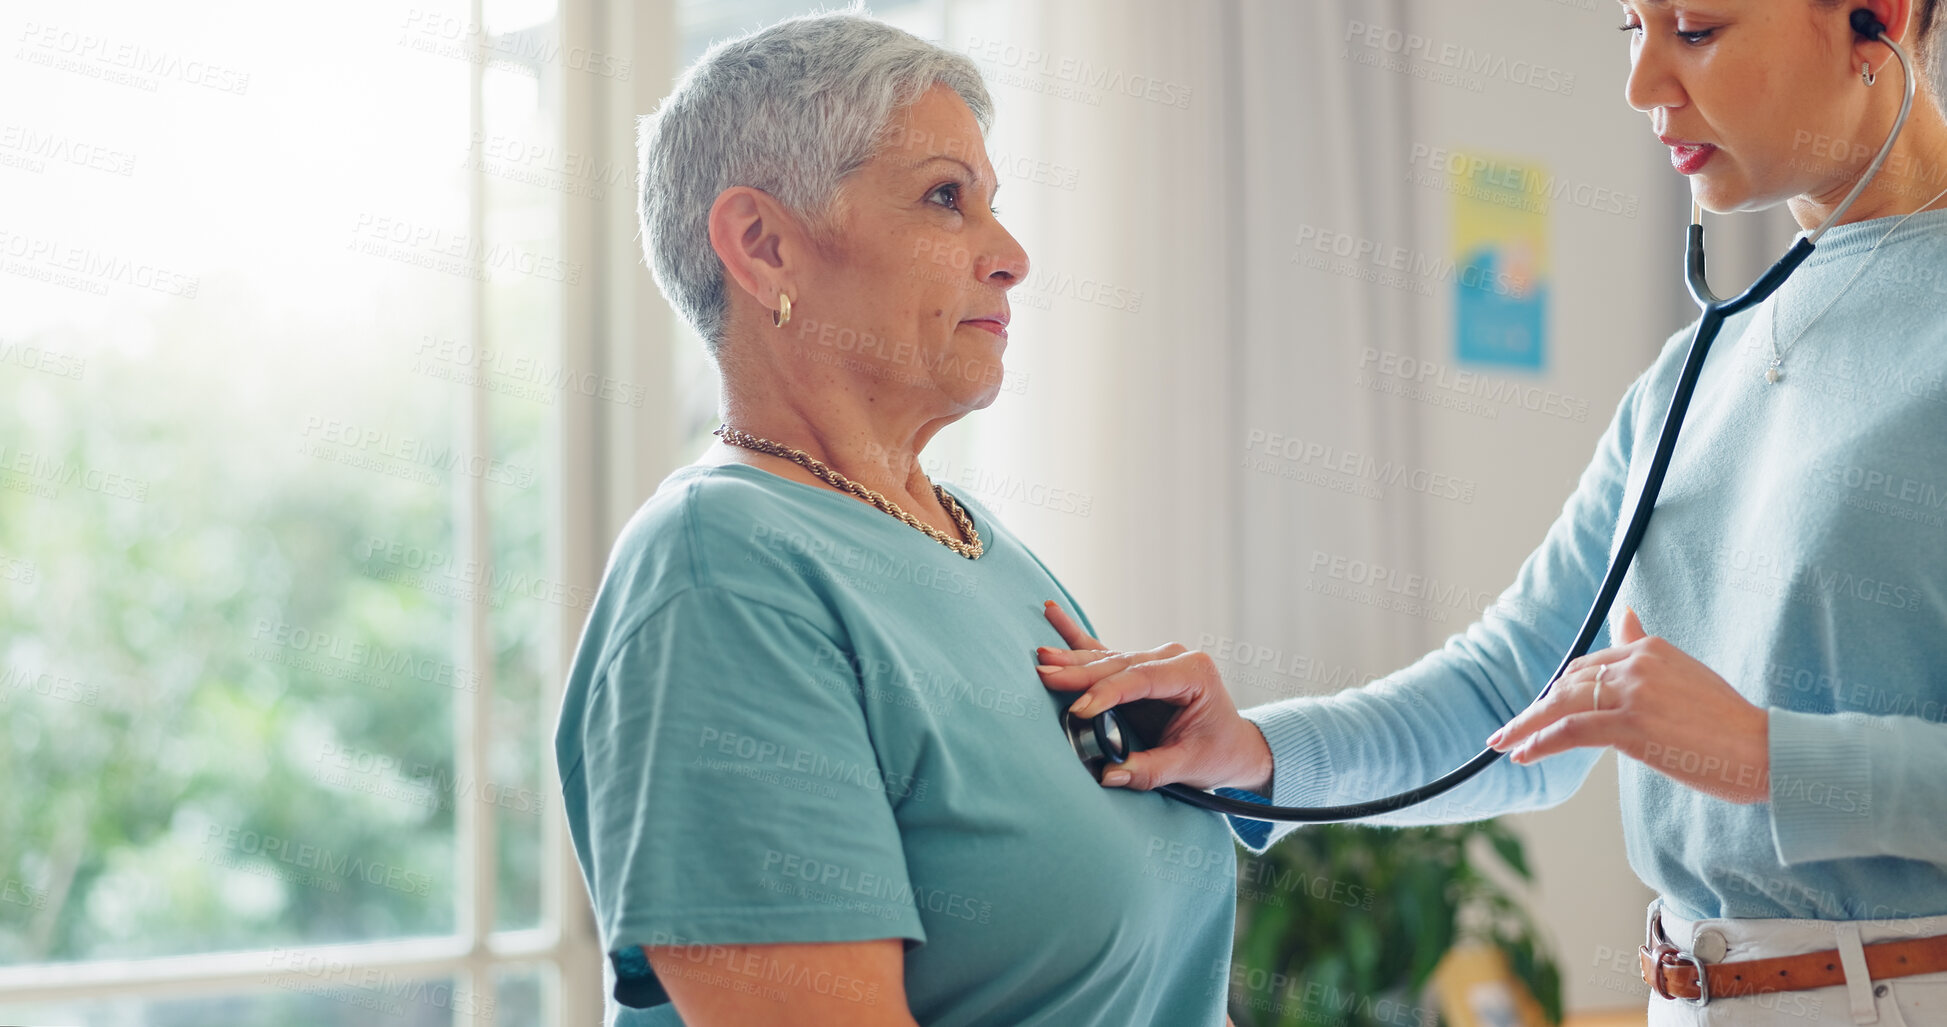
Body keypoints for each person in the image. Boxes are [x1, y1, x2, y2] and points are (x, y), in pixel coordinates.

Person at [1035, 1, 1947, 1023]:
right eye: (1630, 30)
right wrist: (1253, 750)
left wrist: (1769, 757)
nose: (1643, 86)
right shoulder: (1693, 373)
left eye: (1695, 28)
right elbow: (1507, 700)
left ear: (1882, 18)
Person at [552, 11, 1244, 1026]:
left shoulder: (980, 549)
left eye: (991, 203)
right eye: (944, 198)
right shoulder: (723, 576)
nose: (1010, 254)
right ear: (764, 245)